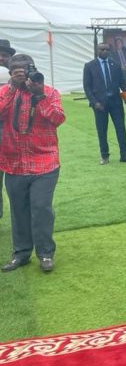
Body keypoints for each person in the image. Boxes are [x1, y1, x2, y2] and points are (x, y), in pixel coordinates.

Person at [0, 54, 65, 273]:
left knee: (41, 208)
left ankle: (45, 253)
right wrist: (12, 89)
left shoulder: (49, 92)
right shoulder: (4, 92)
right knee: (18, 211)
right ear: (10, 73)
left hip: (45, 162)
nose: (23, 75)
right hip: (13, 163)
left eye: (26, 70)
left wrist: (40, 96)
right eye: (17, 71)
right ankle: (21, 253)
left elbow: (58, 119)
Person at [83, 42, 126, 164]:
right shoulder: (89, 66)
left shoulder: (115, 65)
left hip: (116, 103)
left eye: (107, 49)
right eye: (102, 49)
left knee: (121, 129)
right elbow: (87, 87)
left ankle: (124, 155)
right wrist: (94, 102)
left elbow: (122, 83)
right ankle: (104, 156)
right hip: (100, 104)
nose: (105, 51)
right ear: (97, 50)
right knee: (102, 131)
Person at [0, 39, 15, 220]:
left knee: (17, 185)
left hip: (17, 139)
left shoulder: (21, 77)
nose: (1, 58)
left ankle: (21, 217)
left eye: (4, 55)